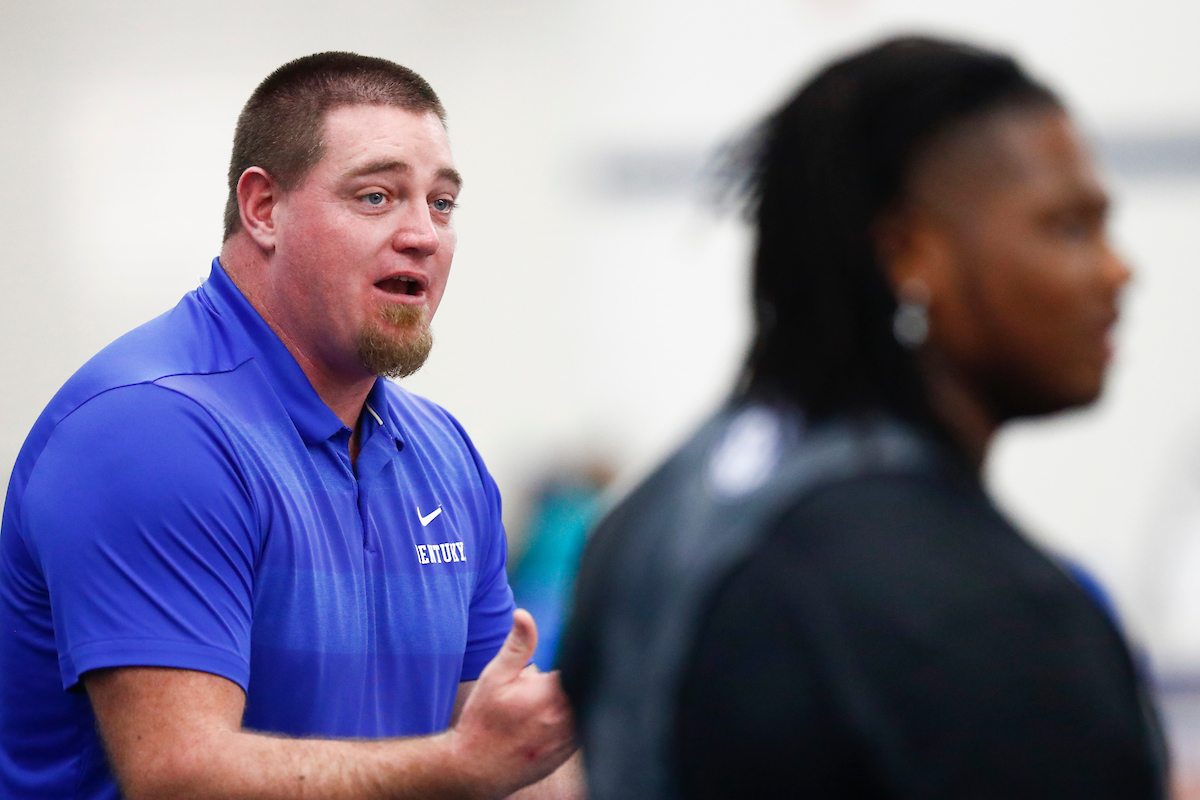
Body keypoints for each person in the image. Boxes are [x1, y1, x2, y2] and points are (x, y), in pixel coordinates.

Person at [558, 36, 1168, 799]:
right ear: (910, 252)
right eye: (1069, 226)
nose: (1119, 270)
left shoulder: (647, 520)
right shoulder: (981, 609)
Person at [0, 52, 579, 800]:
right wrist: (459, 769)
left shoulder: (443, 455)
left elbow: (508, 753)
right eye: (377, 196)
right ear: (264, 209)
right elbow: (181, 777)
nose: (423, 235)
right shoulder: (149, 429)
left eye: (441, 204)